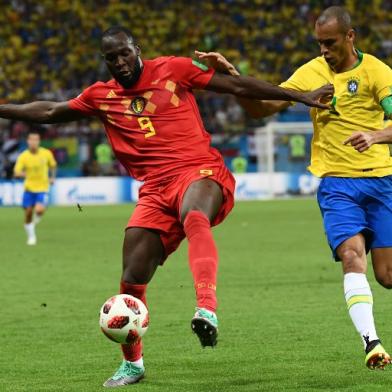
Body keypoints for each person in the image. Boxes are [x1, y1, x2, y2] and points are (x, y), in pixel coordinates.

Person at [0, 26, 332, 387]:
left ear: (136, 49)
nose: (120, 62)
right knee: (131, 278)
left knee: (194, 217)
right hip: (155, 191)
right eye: (111, 58)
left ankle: (207, 307)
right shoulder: (101, 96)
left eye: (124, 53)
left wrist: (301, 96)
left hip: (199, 170)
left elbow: (237, 86)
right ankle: (133, 364)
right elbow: (49, 110)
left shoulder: (175, 69)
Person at [197, 6, 392, 370]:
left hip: (382, 182)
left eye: (330, 43)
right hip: (337, 186)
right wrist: (235, 79)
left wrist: (376, 135)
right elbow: (262, 108)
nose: (324, 50)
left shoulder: (378, 73)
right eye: (319, 43)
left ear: (350, 37)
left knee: (387, 276)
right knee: (352, 257)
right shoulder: (311, 71)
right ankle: (372, 343)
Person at [13, 130, 57, 245]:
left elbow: (53, 166)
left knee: (39, 209)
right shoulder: (23, 156)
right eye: (31, 140)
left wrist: (52, 177)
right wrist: (22, 174)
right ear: (28, 141)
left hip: (42, 188)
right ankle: (31, 236)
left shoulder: (46, 153)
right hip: (28, 189)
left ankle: (36, 219)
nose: (33, 142)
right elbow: (16, 172)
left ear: (39, 141)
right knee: (28, 213)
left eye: (36, 140)